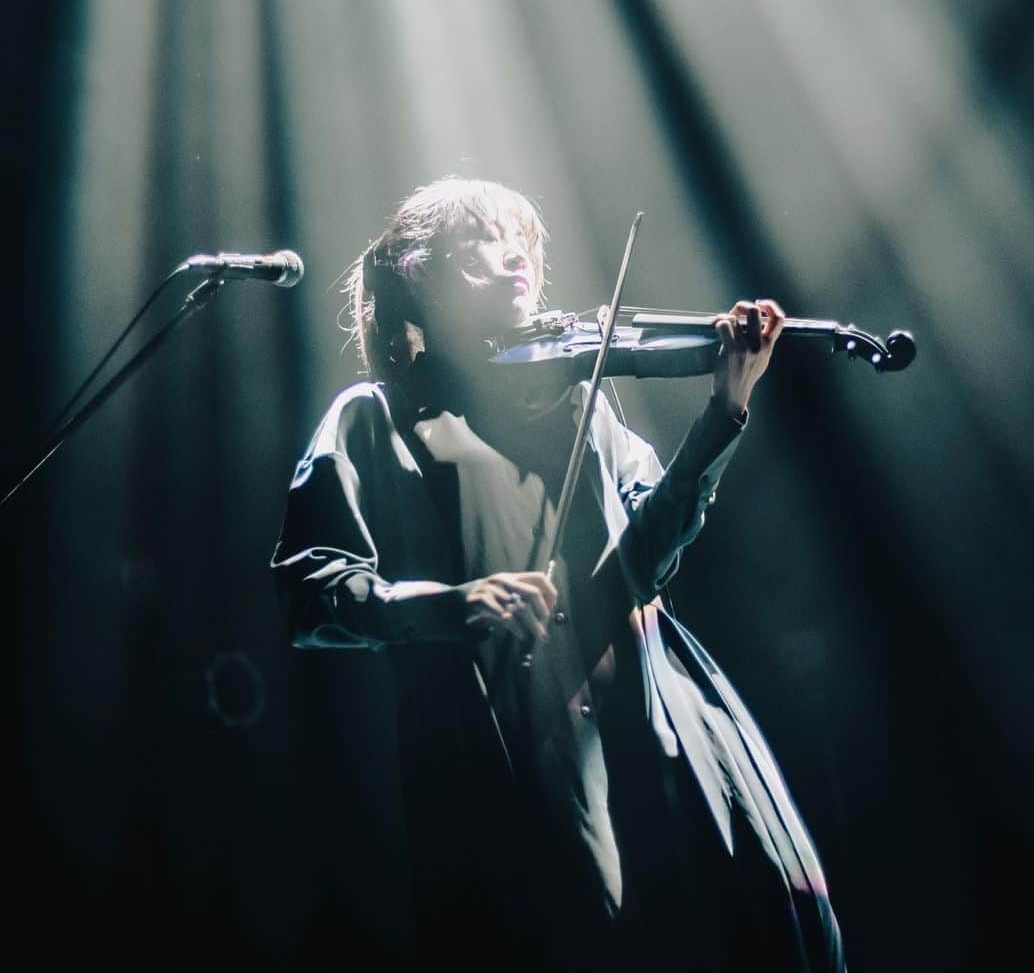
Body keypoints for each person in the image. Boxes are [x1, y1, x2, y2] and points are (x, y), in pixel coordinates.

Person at [272, 177, 846, 972]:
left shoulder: (586, 406)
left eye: (524, 241)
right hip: (508, 746)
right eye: (484, 237)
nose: (516, 256)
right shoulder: (373, 419)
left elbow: (643, 563)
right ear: (417, 271)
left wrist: (724, 410)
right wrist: (451, 604)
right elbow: (310, 590)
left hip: (653, 725)